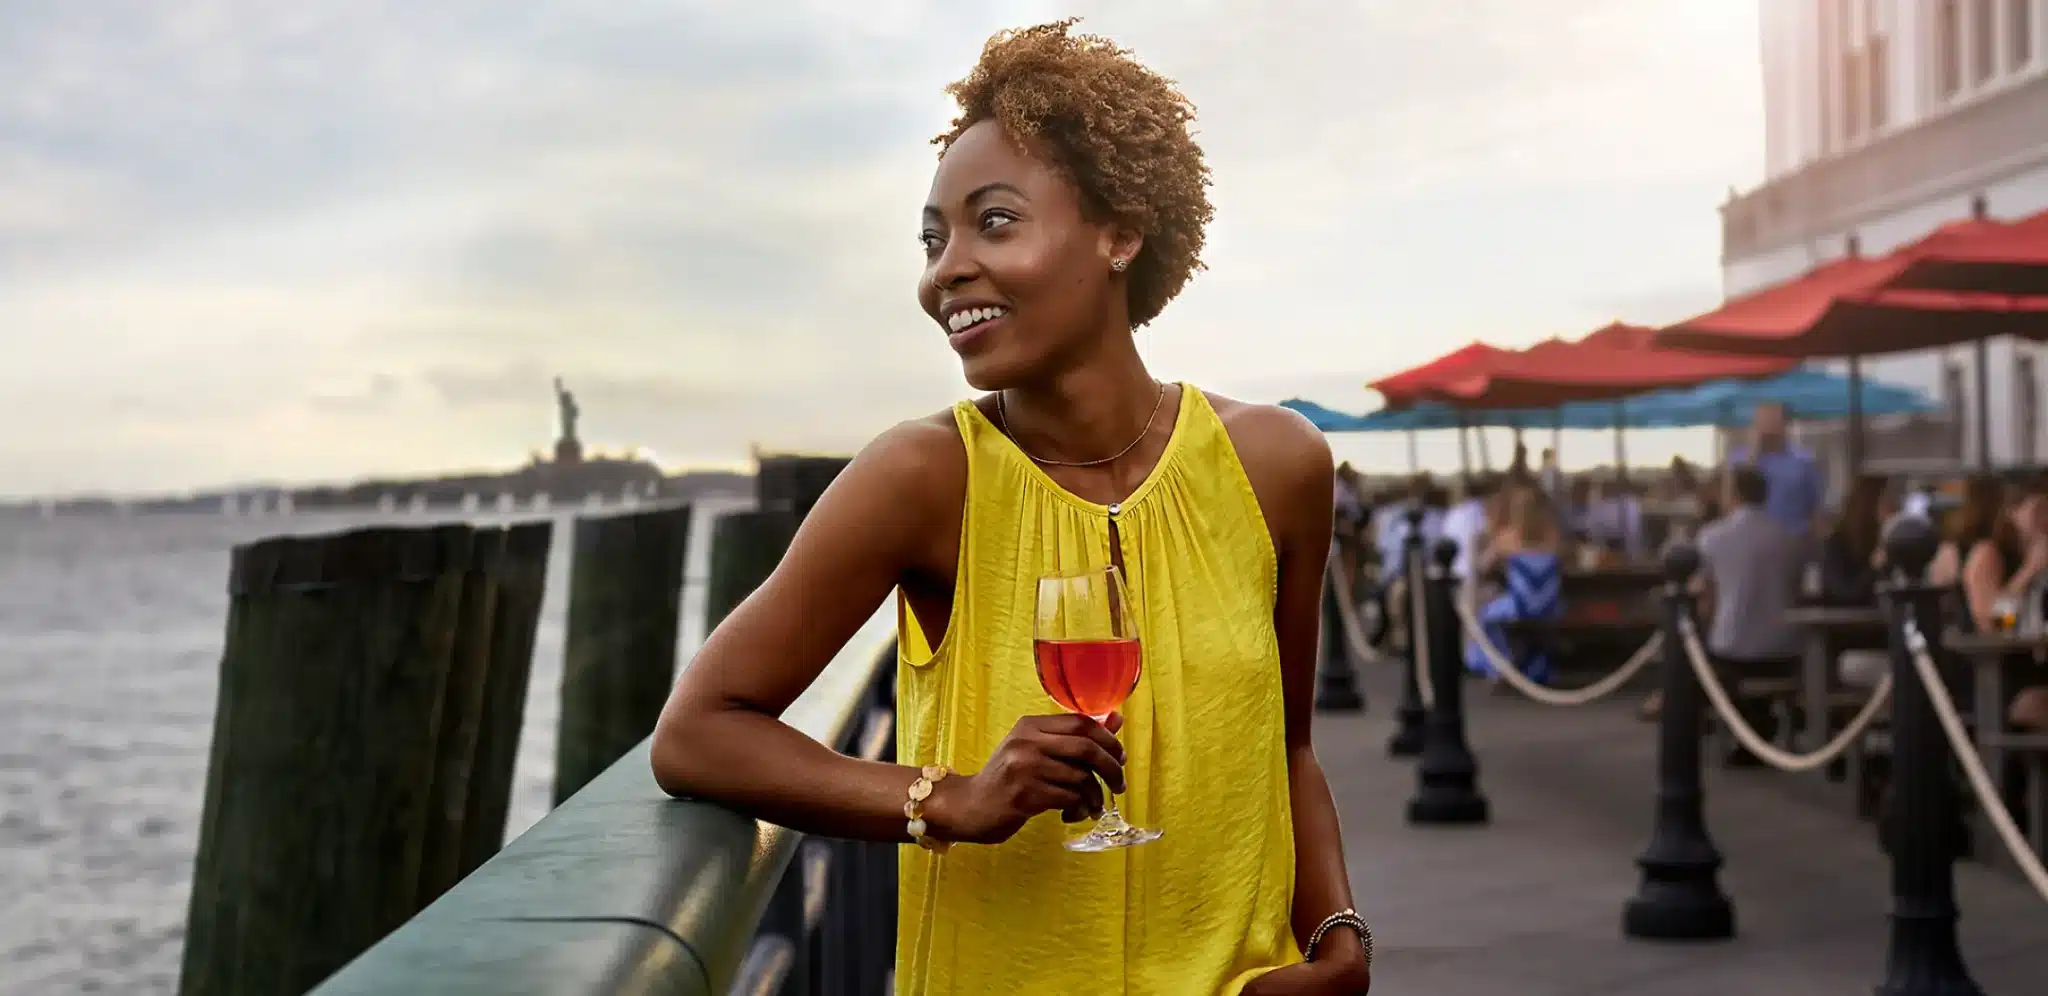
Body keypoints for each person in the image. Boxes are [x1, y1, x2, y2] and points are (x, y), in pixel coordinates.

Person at [647, 22, 1369, 995]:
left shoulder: (1275, 465)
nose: (944, 269)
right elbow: (698, 732)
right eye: (932, 239)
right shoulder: (921, 477)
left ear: (1119, 231)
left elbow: (1284, 749)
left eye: (993, 222)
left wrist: (1336, 934)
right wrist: (941, 799)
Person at [1695, 465, 1803, 763]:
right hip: (1785, 649)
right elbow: (1797, 589)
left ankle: (1741, 733)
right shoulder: (1790, 538)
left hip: (1732, 649)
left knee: (1707, 654)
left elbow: (1706, 598)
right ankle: (1763, 729)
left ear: (1734, 494)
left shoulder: (1711, 537)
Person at [1465, 486, 1564, 687]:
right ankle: (1537, 665)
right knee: (1536, 627)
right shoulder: (1553, 537)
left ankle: (1500, 665)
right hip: (1550, 607)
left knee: (1486, 616)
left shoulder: (1508, 538)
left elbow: (1483, 566)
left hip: (1520, 606)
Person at [1727, 401, 1823, 540]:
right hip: (1751, 541)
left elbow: (1814, 508)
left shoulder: (1803, 462)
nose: (1768, 425)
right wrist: (1754, 452)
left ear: (1785, 423)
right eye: (1763, 418)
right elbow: (1731, 504)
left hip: (1792, 540)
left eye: (1773, 418)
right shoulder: (1739, 460)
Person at [1816, 474, 1888, 607]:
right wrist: (1873, 568)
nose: (1890, 511)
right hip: (1849, 623)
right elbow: (1844, 593)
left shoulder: (1884, 540)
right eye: (1884, 503)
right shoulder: (1838, 544)